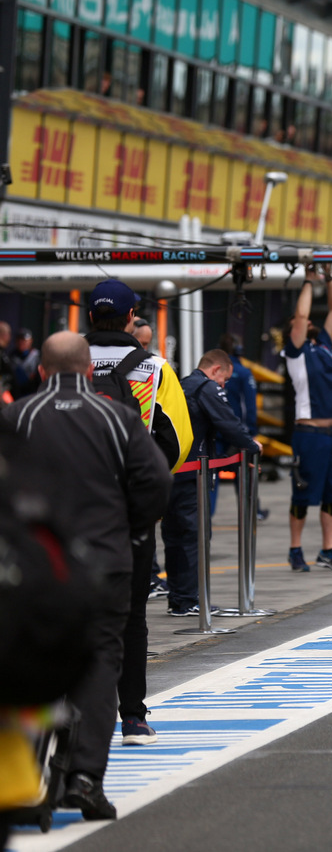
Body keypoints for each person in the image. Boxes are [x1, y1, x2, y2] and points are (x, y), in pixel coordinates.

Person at [1, 332, 170, 819]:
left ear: (41, 370)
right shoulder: (117, 417)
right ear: (89, 368)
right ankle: (84, 778)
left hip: (35, 569)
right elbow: (155, 481)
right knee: (100, 660)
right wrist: (132, 529)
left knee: (24, 660)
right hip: (105, 562)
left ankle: (24, 784)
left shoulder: (19, 415)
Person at [85, 278, 192, 751]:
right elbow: (178, 440)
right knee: (130, 617)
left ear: (90, 317)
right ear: (132, 318)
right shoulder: (153, 367)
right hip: (128, 511)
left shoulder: (64, 363)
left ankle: (73, 716)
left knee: (71, 612)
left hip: (70, 510)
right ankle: (132, 718)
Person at [162, 349, 262, 615]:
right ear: (216, 369)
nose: (224, 385)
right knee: (194, 536)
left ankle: (179, 598)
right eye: (224, 380)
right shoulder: (206, 387)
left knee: (174, 537)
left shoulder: (182, 384)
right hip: (194, 472)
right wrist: (251, 445)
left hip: (172, 471)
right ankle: (190, 599)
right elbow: (228, 423)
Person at [283, 266, 332, 572]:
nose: (309, 321)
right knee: (302, 494)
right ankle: (295, 549)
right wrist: (308, 282)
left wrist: (329, 277)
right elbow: (300, 318)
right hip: (308, 433)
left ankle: (327, 549)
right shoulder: (295, 352)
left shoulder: (324, 345)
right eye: (303, 322)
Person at [218, 333, 267, 522]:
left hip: (215, 432)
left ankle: (204, 511)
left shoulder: (212, 371)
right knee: (245, 472)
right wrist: (251, 432)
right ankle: (253, 510)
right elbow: (250, 405)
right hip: (238, 432)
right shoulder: (244, 372)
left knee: (207, 472)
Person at [10, 328, 40, 398]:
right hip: (16, 394)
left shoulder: (37, 357)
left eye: (24, 340)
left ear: (30, 341)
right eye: (19, 340)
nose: (21, 342)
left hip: (32, 394)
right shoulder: (10, 357)